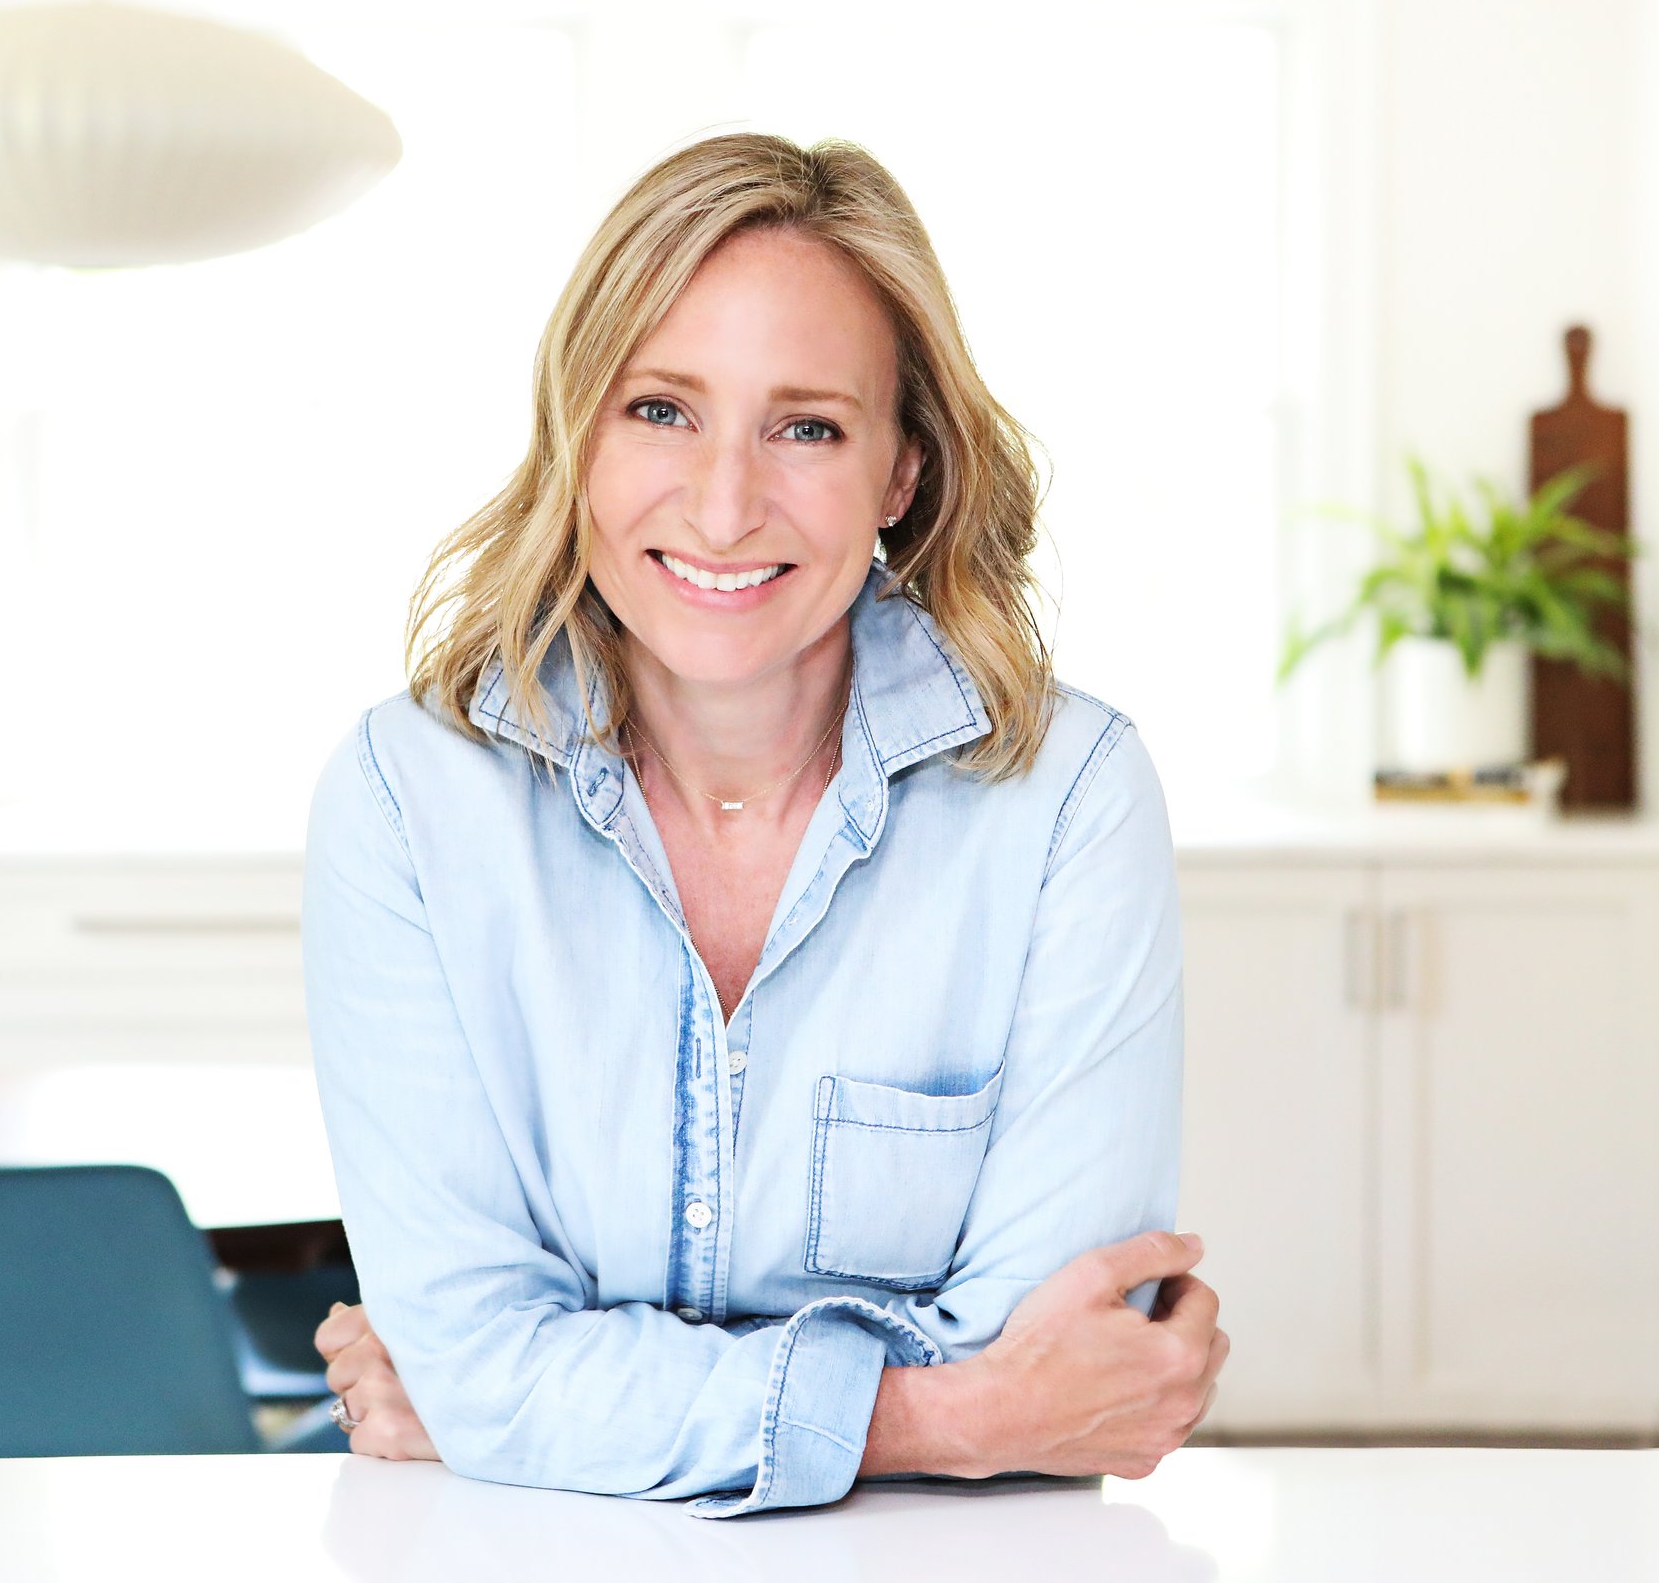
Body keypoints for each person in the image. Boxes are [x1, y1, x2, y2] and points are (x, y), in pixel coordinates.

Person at [301, 132, 1226, 1517]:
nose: (725, 506)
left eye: (807, 428)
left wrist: (538, 1401)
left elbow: (1066, 1366)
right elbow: (479, 1359)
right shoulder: (408, 797)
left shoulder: (1068, 797)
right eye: (661, 410)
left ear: (900, 475)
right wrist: (955, 1411)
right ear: (577, 431)